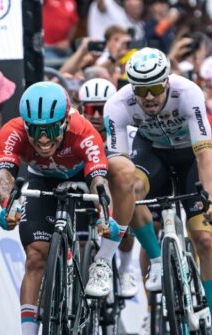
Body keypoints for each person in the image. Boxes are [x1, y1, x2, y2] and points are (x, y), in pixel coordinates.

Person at [103, 47, 212, 335]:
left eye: (155, 89)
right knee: (128, 189)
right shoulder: (117, 105)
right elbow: (118, 166)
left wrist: (211, 197)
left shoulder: (188, 93)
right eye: (141, 90)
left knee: (203, 236)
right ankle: (159, 260)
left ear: (167, 83)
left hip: (189, 157)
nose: (148, 98)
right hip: (153, 154)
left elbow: (204, 153)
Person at [0, 81, 114, 335]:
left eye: (50, 129)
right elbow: (4, 175)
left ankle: (90, 269)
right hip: (41, 181)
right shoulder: (13, 130)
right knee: (36, 256)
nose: (43, 139)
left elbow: (100, 181)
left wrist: (103, 210)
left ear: (65, 121)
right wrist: (8, 203)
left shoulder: (84, 131)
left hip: (82, 178)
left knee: (90, 231)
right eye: (36, 130)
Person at [78, 77, 137, 298]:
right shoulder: (78, 130)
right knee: (82, 242)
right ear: (82, 108)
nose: (94, 115)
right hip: (89, 185)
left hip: (112, 185)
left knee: (126, 219)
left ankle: (124, 269)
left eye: (100, 109)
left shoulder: (124, 129)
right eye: (90, 109)